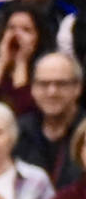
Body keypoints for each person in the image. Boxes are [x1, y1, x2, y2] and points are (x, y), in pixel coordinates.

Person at [18, 53, 83, 186]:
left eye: (61, 84)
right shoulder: (19, 132)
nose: (52, 92)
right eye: (43, 84)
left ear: (78, 88)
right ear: (33, 88)